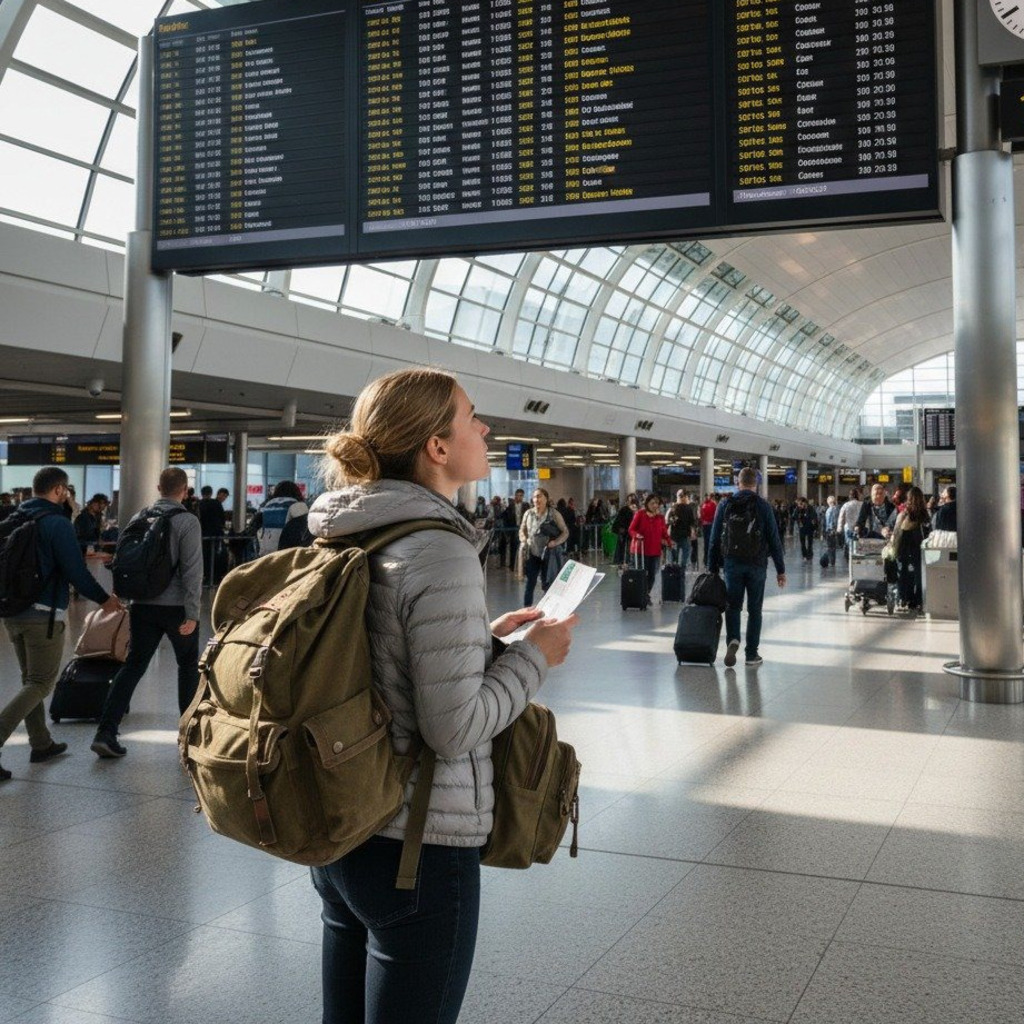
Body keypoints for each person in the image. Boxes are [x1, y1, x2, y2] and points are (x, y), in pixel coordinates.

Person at [305, 367, 577, 1024]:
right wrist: (535, 660)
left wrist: (479, 640)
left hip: (341, 824)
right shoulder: (439, 549)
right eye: (472, 416)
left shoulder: (354, 527)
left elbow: (375, 658)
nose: (485, 429)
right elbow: (454, 730)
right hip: (416, 847)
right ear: (435, 445)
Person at [0, 467, 121, 781]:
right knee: (40, 683)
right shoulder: (56, 523)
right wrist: (104, 598)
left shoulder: (15, 517)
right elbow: (75, 572)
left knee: (31, 679)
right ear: (58, 490)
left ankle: (41, 743)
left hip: (12, 613)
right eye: (66, 490)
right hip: (43, 615)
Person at [90, 468, 203, 759]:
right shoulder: (187, 521)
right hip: (177, 608)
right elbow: (192, 571)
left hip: (142, 606)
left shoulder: (139, 517)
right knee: (188, 666)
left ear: (158, 487)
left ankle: (106, 732)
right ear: (185, 491)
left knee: (133, 666)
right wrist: (193, 613)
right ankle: (188, 738)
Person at [708, 467, 787, 668]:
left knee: (733, 606)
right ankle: (751, 654)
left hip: (732, 564)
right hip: (757, 565)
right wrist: (780, 569)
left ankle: (733, 639)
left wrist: (712, 569)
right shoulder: (763, 505)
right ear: (756, 484)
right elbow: (774, 539)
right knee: (755, 610)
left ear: (738, 482)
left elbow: (714, 539)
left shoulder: (725, 504)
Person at [520, 488, 569, 606]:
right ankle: (526, 610)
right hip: (533, 553)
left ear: (546, 498)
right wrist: (524, 539)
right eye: (534, 497)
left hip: (549, 554)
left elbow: (565, 532)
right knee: (530, 584)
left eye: (539, 496)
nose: (536, 499)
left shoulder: (554, 514)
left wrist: (555, 542)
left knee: (548, 583)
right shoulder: (528, 514)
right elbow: (522, 530)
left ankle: (548, 609)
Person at [891, 485, 931, 612]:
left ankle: (903, 598)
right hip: (919, 549)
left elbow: (896, 530)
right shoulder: (925, 515)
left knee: (903, 573)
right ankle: (918, 600)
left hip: (903, 548)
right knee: (919, 574)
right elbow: (929, 532)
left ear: (908, 498)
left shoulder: (903, 513)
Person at [629, 493, 673, 598]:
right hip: (640, 550)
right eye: (652, 503)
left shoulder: (660, 518)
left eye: (657, 503)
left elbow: (664, 533)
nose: (655, 505)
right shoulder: (640, 514)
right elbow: (631, 529)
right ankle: (641, 595)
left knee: (652, 575)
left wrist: (669, 542)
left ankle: (646, 594)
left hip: (655, 551)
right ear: (647, 504)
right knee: (641, 574)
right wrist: (637, 535)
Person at [251, 480, 310, 555]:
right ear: (296, 492)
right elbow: (307, 532)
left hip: (266, 554)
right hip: (287, 554)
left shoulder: (266, 506)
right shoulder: (297, 506)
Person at [197, 485, 227, 584]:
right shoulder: (216, 504)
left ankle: (205, 575)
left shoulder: (199, 504)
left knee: (204, 555)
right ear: (211, 493)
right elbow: (222, 519)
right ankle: (215, 577)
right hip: (216, 534)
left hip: (202, 534)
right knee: (216, 555)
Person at [665, 490, 697, 568]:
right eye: (680, 496)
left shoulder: (688, 508)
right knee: (674, 555)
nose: (682, 498)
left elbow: (692, 521)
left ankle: (682, 567)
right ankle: (674, 568)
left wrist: (692, 531)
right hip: (674, 535)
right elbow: (667, 521)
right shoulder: (673, 507)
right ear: (677, 497)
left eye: (683, 496)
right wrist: (672, 520)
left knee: (685, 554)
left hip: (685, 535)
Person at [611, 494, 638, 567]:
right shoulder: (624, 509)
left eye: (632, 500)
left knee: (630, 546)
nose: (630, 502)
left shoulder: (635, 509)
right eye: (629, 500)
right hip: (623, 530)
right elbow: (620, 520)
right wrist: (620, 528)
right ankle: (619, 560)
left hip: (630, 531)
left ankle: (628, 560)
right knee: (620, 545)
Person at [837, 488, 862, 562]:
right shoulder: (862, 504)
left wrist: (839, 529)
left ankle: (849, 558)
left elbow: (841, 517)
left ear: (850, 496)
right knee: (859, 544)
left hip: (849, 528)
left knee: (849, 544)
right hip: (860, 528)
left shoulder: (846, 505)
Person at [795, 497, 817, 561]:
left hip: (810, 527)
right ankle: (804, 555)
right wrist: (799, 520)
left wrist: (814, 525)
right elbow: (794, 516)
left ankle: (809, 554)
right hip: (802, 527)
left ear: (804, 502)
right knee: (802, 542)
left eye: (801, 503)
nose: (800, 505)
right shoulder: (798, 508)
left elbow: (814, 517)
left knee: (810, 542)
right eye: (799, 504)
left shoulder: (810, 508)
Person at [699, 493, 718, 567]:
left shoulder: (712, 505)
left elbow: (715, 515)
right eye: (705, 496)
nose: (706, 498)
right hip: (705, 525)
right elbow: (701, 514)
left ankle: (709, 560)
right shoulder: (703, 505)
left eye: (707, 496)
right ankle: (706, 560)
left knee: (710, 542)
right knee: (706, 543)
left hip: (710, 525)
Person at [823, 495, 840, 567]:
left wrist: (831, 529)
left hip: (830, 530)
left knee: (830, 547)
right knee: (833, 547)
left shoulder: (830, 510)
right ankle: (833, 561)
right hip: (833, 530)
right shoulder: (837, 509)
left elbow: (831, 521)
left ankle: (831, 561)